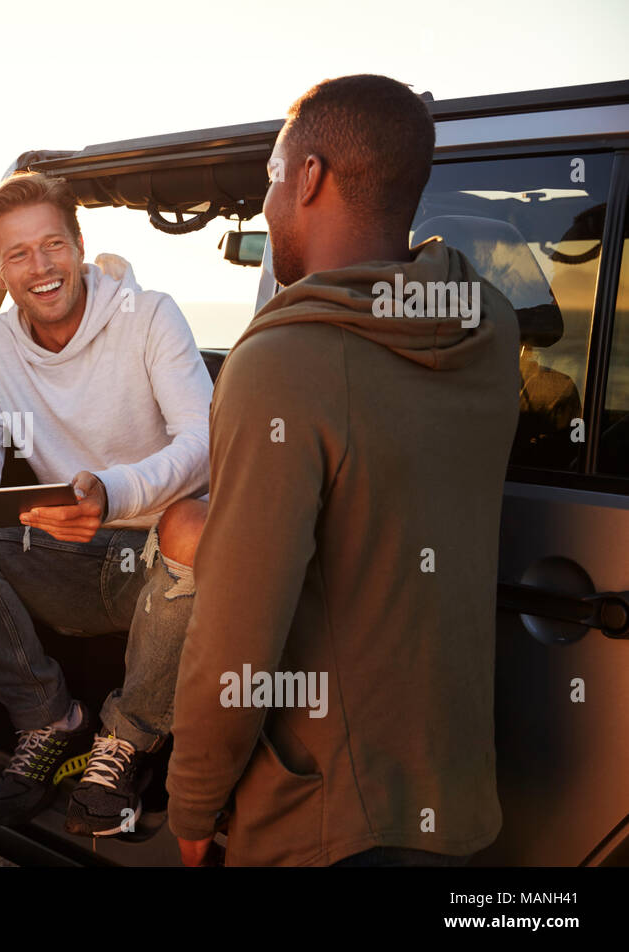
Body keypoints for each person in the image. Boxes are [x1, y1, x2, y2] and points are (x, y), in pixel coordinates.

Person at [166, 74, 520, 866]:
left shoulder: (284, 363)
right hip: (454, 794)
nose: (265, 205)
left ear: (311, 177)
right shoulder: (487, 326)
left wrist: (192, 802)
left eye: (270, 180)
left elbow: (237, 633)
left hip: (324, 816)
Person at [0, 172, 213, 837]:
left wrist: (112, 492)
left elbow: (204, 440)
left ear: (78, 245)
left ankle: (125, 741)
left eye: (53, 245)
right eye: (18, 254)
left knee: (194, 531)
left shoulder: (150, 315)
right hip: (67, 555)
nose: (40, 266)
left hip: (167, 570)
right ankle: (47, 716)